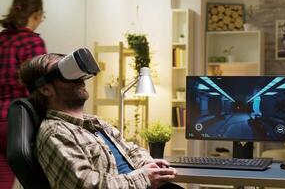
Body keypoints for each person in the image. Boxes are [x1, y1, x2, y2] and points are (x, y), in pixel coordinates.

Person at [18, 53, 180, 189]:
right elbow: (86, 184)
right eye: (67, 76)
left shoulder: (94, 122)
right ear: (45, 89)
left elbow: (130, 149)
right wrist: (143, 178)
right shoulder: (56, 132)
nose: (81, 80)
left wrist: (149, 164)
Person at [0, 0, 46, 188]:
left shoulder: (1, 40)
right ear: (36, 15)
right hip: (18, 121)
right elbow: (40, 86)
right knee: (41, 177)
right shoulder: (33, 42)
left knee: (2, 176)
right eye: (42, 16)